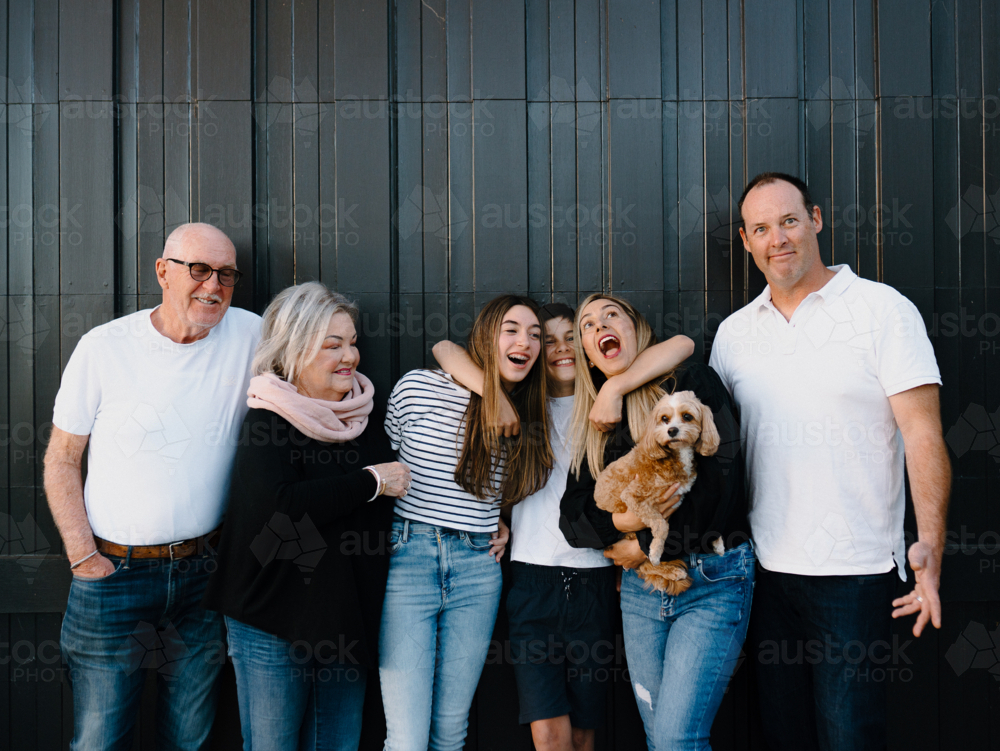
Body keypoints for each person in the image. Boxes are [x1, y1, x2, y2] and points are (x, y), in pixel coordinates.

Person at [709, 172, 950, 751]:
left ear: (816, 219)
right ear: (746, 241)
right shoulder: (734, 335)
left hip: (857, 573)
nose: (778, 239)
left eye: (788, 221)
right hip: (761, 574)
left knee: (849, 738)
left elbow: (922, 433)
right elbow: (713, 456)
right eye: (761, 229)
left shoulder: (881, 310)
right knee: (780, 735)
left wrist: (931, 549)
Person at [433, 302, 693, 751]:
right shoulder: (516, 402)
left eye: (571, 336)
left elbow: (682, 345)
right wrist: (493, 397)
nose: (559, 348)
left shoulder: (609, 407)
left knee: (584, 733)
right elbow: (443, 348)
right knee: (550, 737)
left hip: (596, 579)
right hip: (531, 583)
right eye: (546, 339)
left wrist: (614, 388)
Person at [43, 223, 261, 750]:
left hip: (203, 574)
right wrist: (82, 557)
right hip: (113, 574)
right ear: (163, 272)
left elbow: (327, 352)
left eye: (226, 274)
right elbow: (62, 459)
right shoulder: (105, 347)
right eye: (200, 270)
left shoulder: (252, 333)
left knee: (188, 737)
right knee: (100, 738)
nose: (214, 286)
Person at [202, 283, 410, 750]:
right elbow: (278, 507)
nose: (350, 356)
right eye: (332, 345)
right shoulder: (269, 418)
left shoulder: (362, 419)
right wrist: (369, 483)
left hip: (344, 618)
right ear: (293, 348)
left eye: (352, 342)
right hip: (273, 618)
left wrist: (489, 520)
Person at [560, 294, 754, 751]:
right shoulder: (596, 425)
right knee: (659, 738)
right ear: (586, 349)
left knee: (675, 739)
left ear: (638, 329)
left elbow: (721, 482)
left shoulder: (689, 387)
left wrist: (648, 543)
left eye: (612, 315)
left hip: (713, 576)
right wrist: (626, 525)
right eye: (587, 324)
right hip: (643, 590)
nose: (599, 325)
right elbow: (575, 518)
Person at [378, 295, 552, 751]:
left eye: (536, 334)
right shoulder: (418, 387)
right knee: (408, 739)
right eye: (512, 329)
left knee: (451, 733)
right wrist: (488, 393)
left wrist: (503, 521)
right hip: (409, 559)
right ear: (486, 335)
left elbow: (515, 489)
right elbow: (391, 457)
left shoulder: (528, 413)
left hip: (478, 566)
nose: (526, 342)